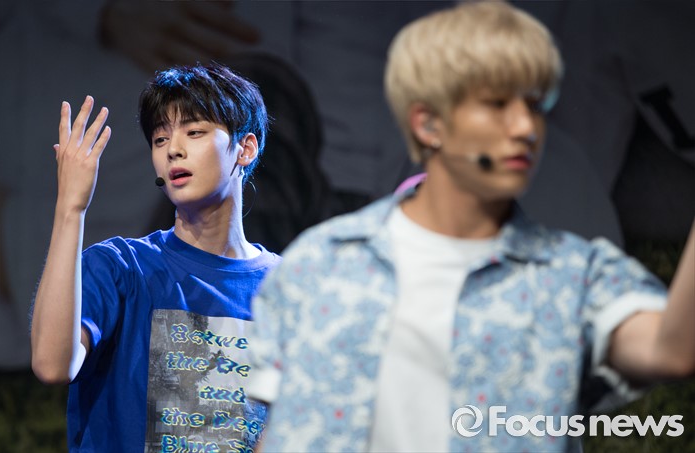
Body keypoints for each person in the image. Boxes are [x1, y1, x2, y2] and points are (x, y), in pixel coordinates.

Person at [245, 2, 695, 452]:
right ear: (428, 124)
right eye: (497, 104)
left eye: (536, 106)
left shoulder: (575, 273)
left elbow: (670, 350)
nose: (526, 127)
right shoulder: (320, 264)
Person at [30, 63, 280, 452]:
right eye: (160, 139)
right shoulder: (120, 267)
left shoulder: (287, 287)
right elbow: (52, 365)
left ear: (245, 148)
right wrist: (70, 209)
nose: (173, 150)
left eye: (194, 132)